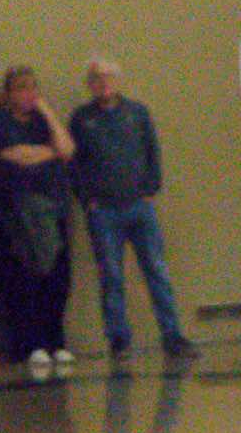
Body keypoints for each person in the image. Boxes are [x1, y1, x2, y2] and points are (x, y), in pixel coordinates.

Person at [69, 59, 196, 360]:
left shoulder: (137, 113)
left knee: (156, 271)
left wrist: (151, 190)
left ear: (118, 80)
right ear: (90, 84)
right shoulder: (81, 119)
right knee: (111, 276)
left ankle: (172, 336)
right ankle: (119, 340)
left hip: (139, 206)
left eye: (108, 76)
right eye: (97, 77)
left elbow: (153, 152)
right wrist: (87, 200)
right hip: (103, 211)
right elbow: (74, 164)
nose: (104, 82)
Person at [0, 67, 77, 371]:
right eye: (22, 88)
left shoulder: (43, 121)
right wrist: (49, 152)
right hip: (17, 212)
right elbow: (14, 155)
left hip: (53, 208)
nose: (29, 94)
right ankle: (30, 344)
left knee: (57, 279)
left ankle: (56, 341)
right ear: (9, 94)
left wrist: (47, 113)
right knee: (24, 280)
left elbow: (67, 149)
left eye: (33, 88)